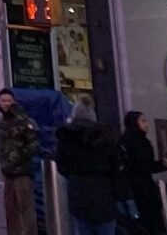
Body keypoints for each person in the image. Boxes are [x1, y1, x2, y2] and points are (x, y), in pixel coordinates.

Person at [56, 101, 121, 235]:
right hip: (104, 194)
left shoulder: (66, 137)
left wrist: (74, 176)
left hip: (78, 193)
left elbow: (62, 166)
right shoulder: (105, 136)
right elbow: (115, 167)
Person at [0, 87, 40, 235]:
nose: (6, 104)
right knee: (11, 211)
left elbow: (34, 144)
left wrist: (17, 157)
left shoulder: (23, 120)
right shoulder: (2, 122)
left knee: (26, 210)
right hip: (8, 173)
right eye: (3, 101)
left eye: (9, 100)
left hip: (22, 172)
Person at [118, 108, 167, 235]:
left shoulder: (123, 142)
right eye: (143, 121)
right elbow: (145, 166)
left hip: (131, 191)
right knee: (150, 223)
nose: (146, 124)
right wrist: (162, 164)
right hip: (143, 190)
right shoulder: (140, 143)